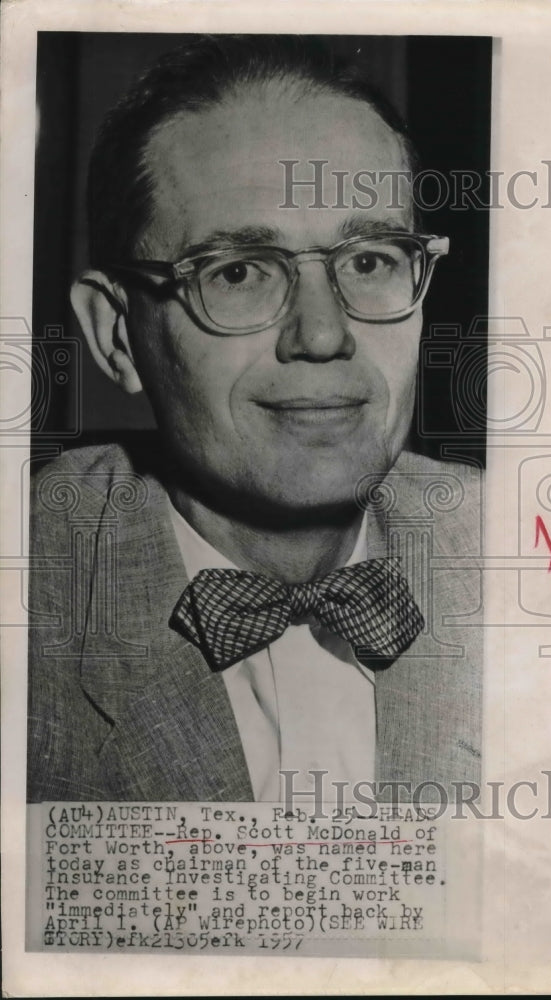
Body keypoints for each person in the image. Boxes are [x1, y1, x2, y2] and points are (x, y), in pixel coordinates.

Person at [27, 35, 482, 803]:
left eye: (369, 261)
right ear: (116, 334)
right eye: (237, 273)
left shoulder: (531, 560)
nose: (323, 335)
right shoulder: (29, 591)